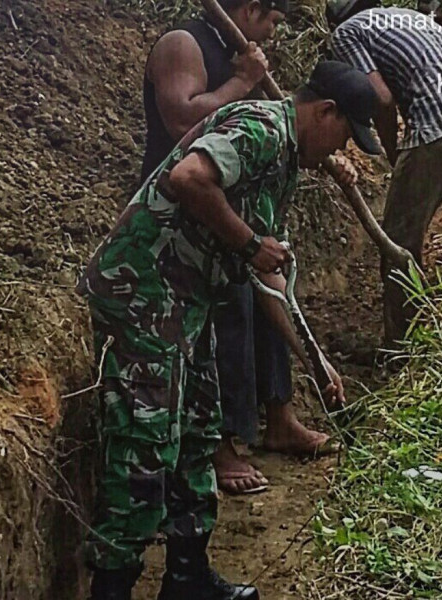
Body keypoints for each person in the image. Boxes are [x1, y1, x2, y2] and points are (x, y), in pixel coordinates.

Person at [78, 60, 381, 600]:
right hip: (144, 291)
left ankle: (188, 578)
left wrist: (315, 360)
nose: (338, 151)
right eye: (343, 136)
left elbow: (270, 277)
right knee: (144, 444)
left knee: (199, 433)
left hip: (188, 303)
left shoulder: (284, 163)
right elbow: (188, 177)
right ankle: (112, 585)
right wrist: (246, 242)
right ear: (324, 112)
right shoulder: (261, 129)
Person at [142, 0, 337, 497]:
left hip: (230, 208)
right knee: (226, 316)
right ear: (250, 9)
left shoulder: (234, 52)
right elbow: (180, 122)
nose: (272, 34)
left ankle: (279, 415)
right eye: (271, 20)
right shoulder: (182, 44)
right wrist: (242, 83)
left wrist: (314, 356)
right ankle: (222, 442)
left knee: (265, 294)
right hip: (184, 214)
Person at [326, 0, 442, 345]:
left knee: (397, 240)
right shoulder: (410, 19)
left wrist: (393, 151)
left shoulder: (348, 32)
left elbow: (383, 99)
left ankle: (403, 348)